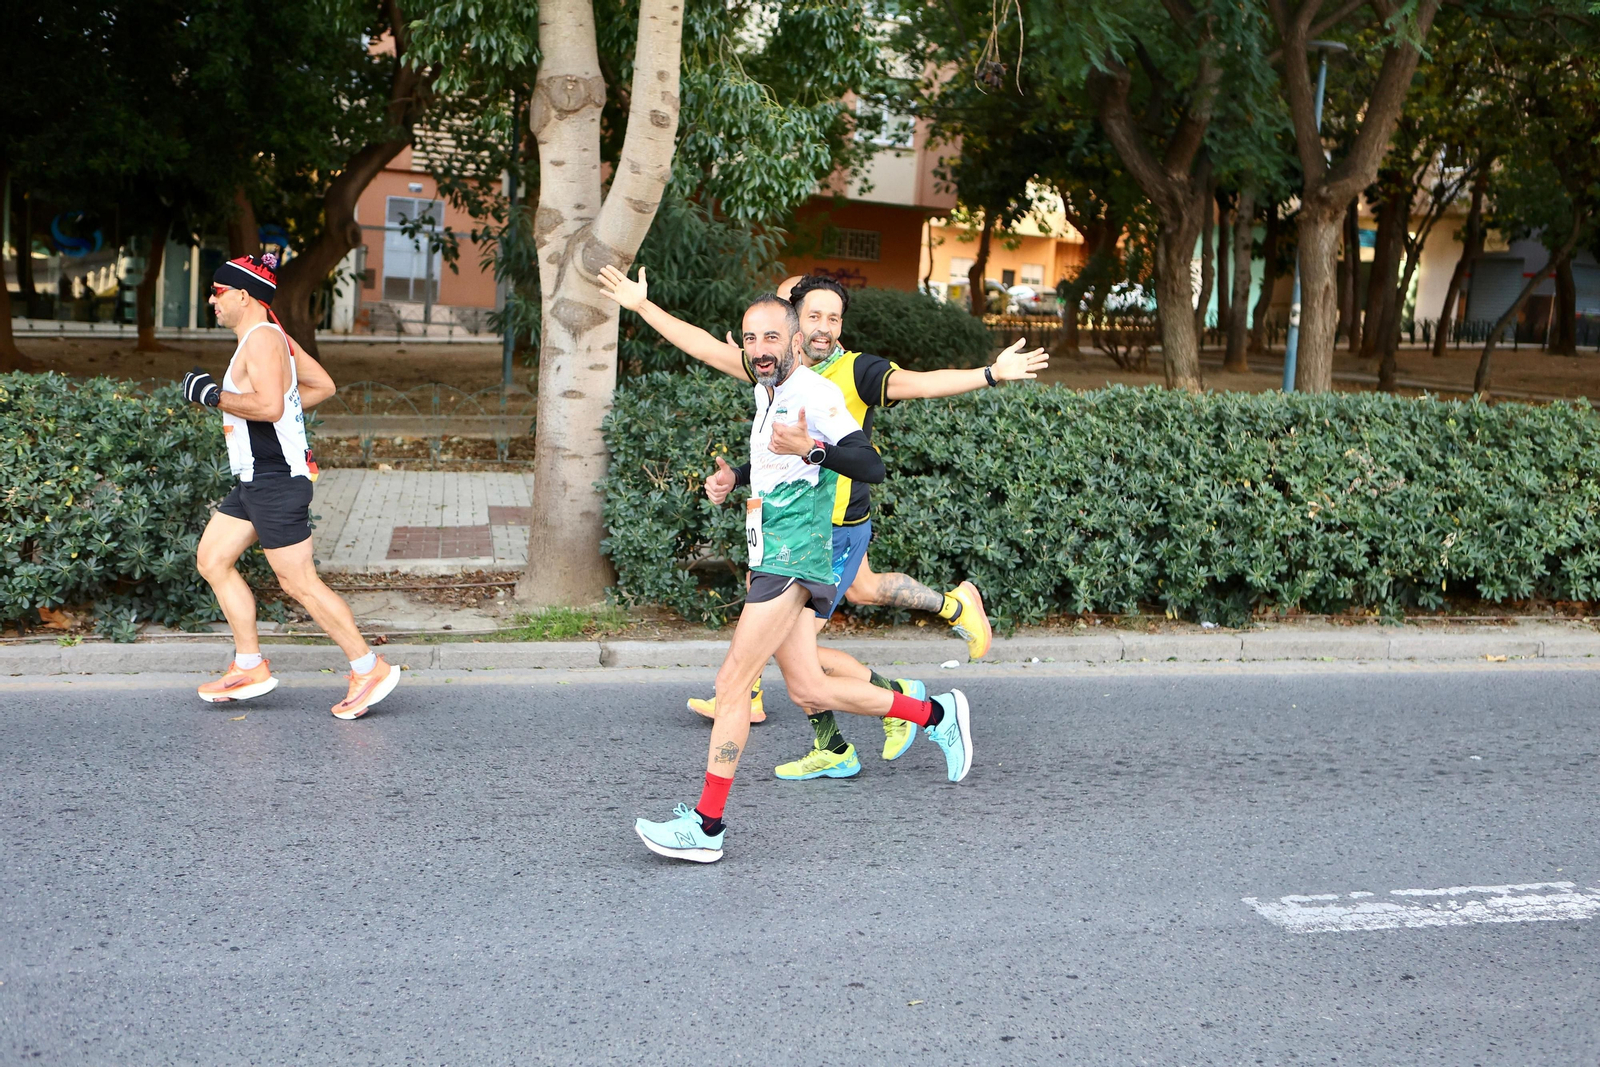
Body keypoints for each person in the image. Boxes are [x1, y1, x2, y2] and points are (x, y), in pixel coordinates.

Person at [598, 267, 1043, 779]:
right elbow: (705, 350)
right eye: (813, 315)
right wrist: (642, 307)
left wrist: (988, 374)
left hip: (828, 532)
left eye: (833, 318)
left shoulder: (851, 374)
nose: (824, 327)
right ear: (794, 321)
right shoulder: (771, 373)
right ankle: (886, 721)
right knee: (816, 652)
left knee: (801, 651)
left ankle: (903, 699)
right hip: (784, 533)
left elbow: (917, 386)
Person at [634, 294, 973, 863]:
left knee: (732, 683)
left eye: (770, 339)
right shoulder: (766, 384)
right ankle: (937, 715)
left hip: (793, 555)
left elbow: (871, 465)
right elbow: (768, 446)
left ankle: (707, 826)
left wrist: (814, 449)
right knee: (809, 689)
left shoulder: (816, 393)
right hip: (772, 547)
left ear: (794, 341)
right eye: (749, 339)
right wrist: (735, 479)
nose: (758, 350)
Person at [180, 254, 399, 720]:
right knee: (213, 559)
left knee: (299, 582)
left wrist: (213, 396)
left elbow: (271, 408)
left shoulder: (261, 340)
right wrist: (281, 406)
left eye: (218, 292)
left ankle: (369, 667)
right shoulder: (271, 336)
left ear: (243, 295)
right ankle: (249, 666)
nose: (212, 301)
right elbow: (321, 385)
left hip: (276, 481)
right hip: (257, 479)